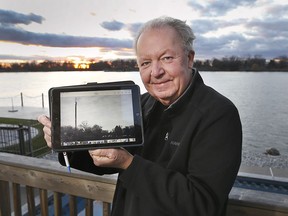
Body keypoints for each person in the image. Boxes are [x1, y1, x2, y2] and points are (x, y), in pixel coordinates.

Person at [38, 16, 242, 216]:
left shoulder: (218, 115)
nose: (155, 72)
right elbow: (110, 158)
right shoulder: (143, 104)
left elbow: (202, 204)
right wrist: (68, 144)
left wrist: (129, 164)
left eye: (167, 58)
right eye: (145, 63)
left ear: (189, 59)